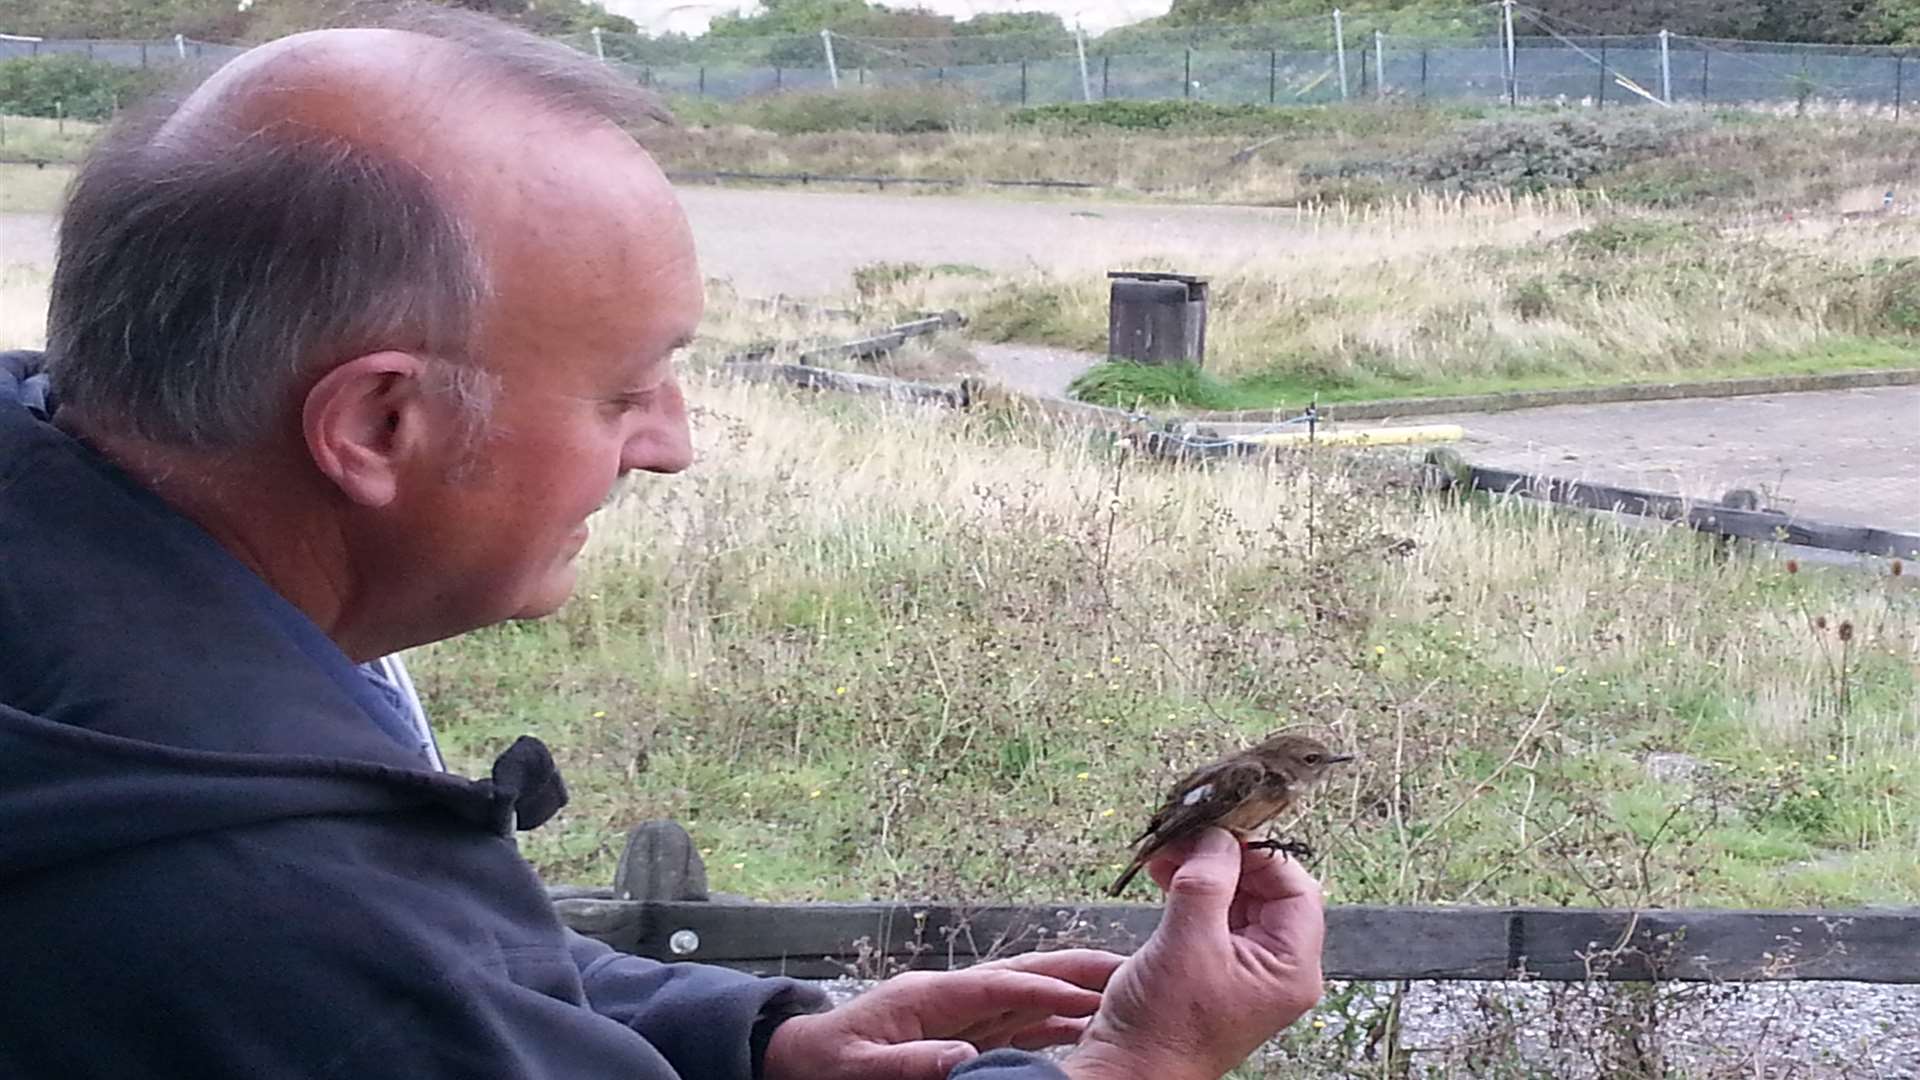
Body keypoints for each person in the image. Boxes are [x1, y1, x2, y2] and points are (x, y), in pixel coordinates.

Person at [0, 7, 1327, 1079]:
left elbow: (447, 976)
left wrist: (750, 1041)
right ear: (380, 421)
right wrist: (1137, 1064)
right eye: (624, 391)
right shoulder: (255, 912)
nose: (671, 445)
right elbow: (366, 973)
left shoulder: (104, 659)